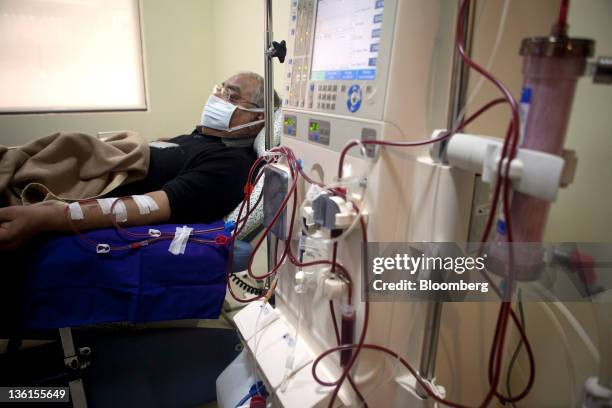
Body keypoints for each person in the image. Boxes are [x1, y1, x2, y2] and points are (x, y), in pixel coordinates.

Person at [0, 71, 280, 252]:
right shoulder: (197, 138)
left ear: (258, 117)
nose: (217, 97)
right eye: (219, 88)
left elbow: (148, 207)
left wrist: (47, 216)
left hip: (73, 184)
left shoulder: (229, 164)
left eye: (230, 94)